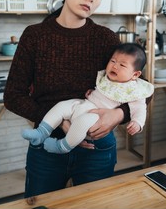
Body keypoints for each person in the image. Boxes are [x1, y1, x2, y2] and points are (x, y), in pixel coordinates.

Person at [4, 0, 150, 198]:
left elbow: (143, 90)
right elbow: (13, 96)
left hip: (96, 147)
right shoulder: (35, 36)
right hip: (47, 146)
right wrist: (60, 122)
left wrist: (118, 115)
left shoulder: (105, 39)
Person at [21, 43, 154, 154]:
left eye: (122, 65)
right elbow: (100, 90)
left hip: (97, 118)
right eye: (113, 61)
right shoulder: (107, 77)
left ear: (135, 74)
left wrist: (137, 123)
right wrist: (92, 93)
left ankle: (62, 146)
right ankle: (42, 132)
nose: (114, 66)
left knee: (82, 122)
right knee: (62, 106)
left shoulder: (134, 90)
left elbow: (140, 108)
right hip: (84, 104)